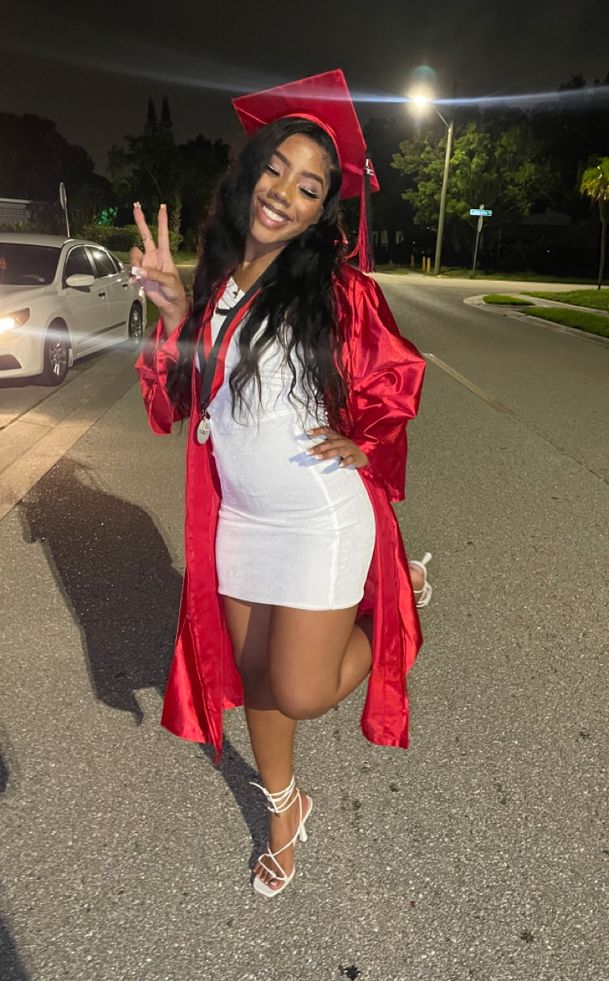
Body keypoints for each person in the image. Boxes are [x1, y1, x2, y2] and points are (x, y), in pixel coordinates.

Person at [132, 70, 432, 897]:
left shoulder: (331, 285)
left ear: (320, 208)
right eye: (278, 171)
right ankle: (283, 807)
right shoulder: (218, 279)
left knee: (299, 685)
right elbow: (177, 404)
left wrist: (366, 437)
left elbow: (398, 373)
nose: (285, 194)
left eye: (309, 187)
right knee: (256, 675)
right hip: (242, 520)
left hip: (316, 515)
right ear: (251, 170)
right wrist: (167, 314)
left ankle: (394, 610)